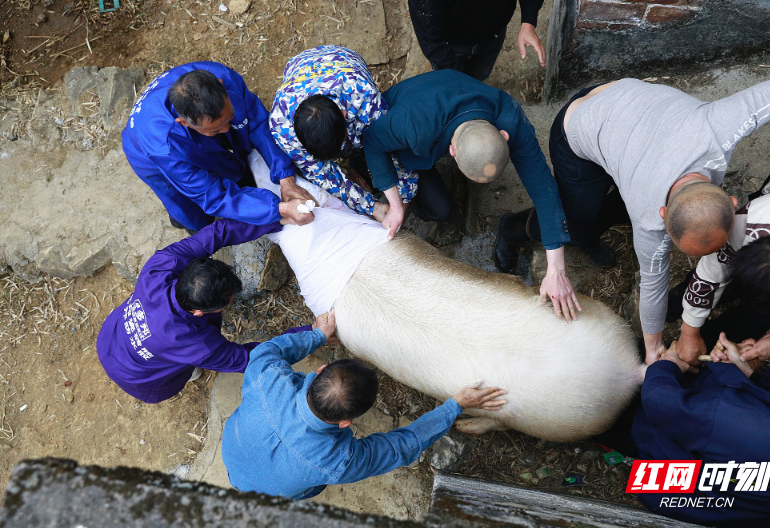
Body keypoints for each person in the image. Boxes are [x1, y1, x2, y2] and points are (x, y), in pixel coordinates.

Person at [495, 73, 770, 363]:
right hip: (582, 124)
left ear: (731, 204)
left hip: (635, 118)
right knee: (576, 225)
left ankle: (601, 211)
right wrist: (653, 349)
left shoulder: (719, 125)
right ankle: (512, 228)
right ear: (662, 216)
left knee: (608, 205)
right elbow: (652, 287)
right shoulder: (647, 219)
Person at [361, 69, 580, 321]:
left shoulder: (510, 116)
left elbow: (543, 187)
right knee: (438, 209)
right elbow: (372, 141)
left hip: (445, 106)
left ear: (503, 136)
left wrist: (556, 270)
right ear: (451, 152)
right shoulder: (411, 124)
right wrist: (395, 204)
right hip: (409, 119)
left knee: (440, 206)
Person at [221, 310, 508, 500]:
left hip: (233, 455)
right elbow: (401, 446)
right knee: (314, 484)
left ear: (321, 370)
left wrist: (317, 335)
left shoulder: (267, 375)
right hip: (271, 493)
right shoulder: (337, 462)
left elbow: (268, 349)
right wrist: (456, 404)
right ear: (346, 422)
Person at [96, 218, 281, 403]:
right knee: (179, 372)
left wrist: (274, 218)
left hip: (109, 337)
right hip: (140, 378)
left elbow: (217, 233)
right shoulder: (197, 345)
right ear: (199, 312)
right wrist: (307, 334)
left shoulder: (161, 266)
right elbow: (251, 359)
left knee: (177, 355)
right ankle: (187, 369)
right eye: (229, 301)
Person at [626, 341, 770, 528]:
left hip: (684, 487)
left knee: (639, 427)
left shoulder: (739, 421)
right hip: (751, 506)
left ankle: (627, 445)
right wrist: (754, 375)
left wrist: (667, 365)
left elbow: (660, 401)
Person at [122, 62, 315, 233]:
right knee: (185, 203)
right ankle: (192, 223)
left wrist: (285, 177)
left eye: (228, 118)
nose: (226, 129)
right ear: (185, 124)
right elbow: (211, 196)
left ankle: (241, 183)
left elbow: (257, 123)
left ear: (221, 87)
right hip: (144, 154)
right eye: (215, 129)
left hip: (179, 123)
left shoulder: (222, 77)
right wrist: (278, 210)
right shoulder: (164, 148)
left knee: (229, 157)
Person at [269, 46, 423, 226]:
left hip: (342, 59)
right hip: (299, 69)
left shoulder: (364, 97)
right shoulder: (281, 126)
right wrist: (373, 207)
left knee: (370, 142)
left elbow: (395, 148)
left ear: (344, 115)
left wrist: (403, 199)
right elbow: (323, 175)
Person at [670, 162, 770, 361]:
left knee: (754, 317)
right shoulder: (753, 220)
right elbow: (712, 271)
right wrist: (689, 333)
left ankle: (717, 337)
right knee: (723, 264)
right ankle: (676, 304)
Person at [408, 0, 546, 82]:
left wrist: (528, 23)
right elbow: (431, 40)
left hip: (493, 35)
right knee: (454, 87)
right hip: (451, 46)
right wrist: (462, 85)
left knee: (480, 75)